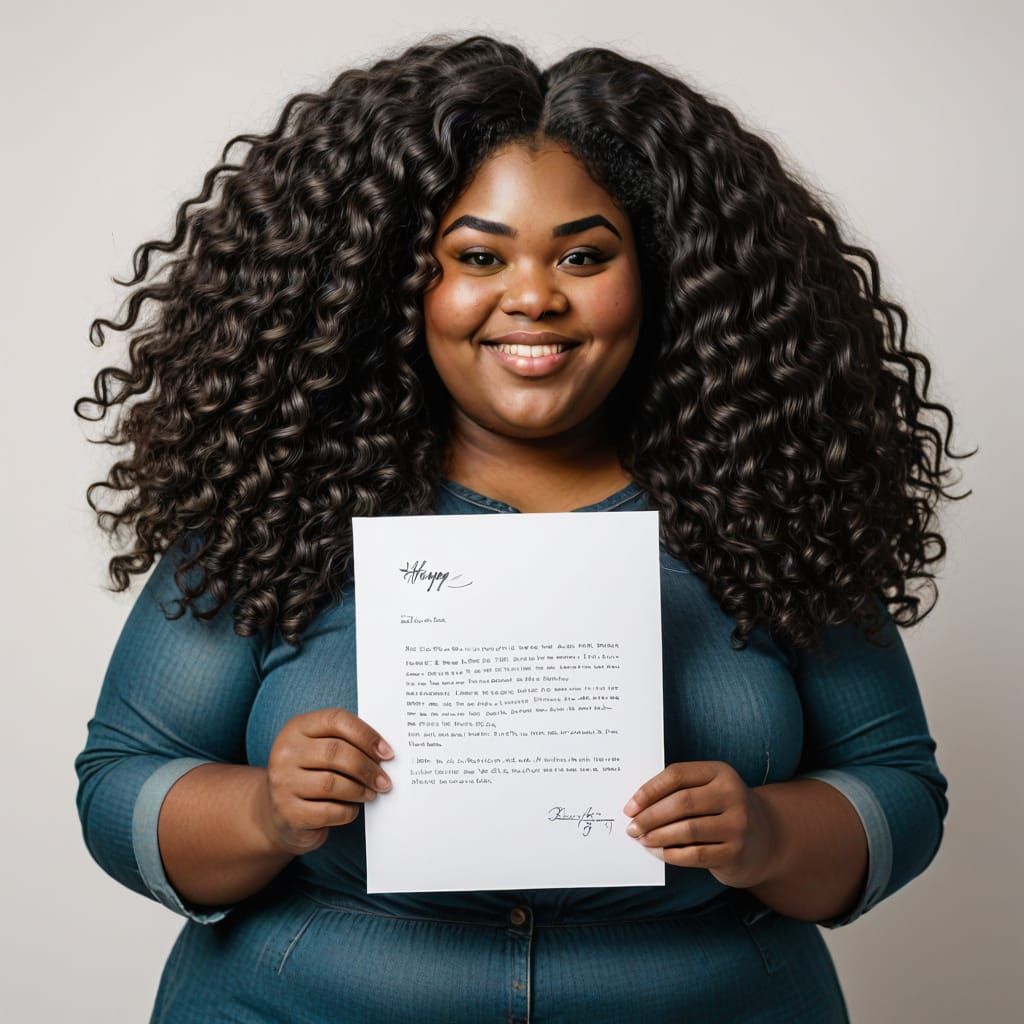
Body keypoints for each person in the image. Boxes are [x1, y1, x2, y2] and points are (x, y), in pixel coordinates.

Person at [73, 32, 965, 1024]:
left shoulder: (770, 504)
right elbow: (120, 786)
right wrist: (264, 809)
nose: (533, 295)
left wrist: (764, 833)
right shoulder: (281, 508)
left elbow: (897, 788)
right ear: (391, 282)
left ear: (663, 270)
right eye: (477, 257)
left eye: (583, 254)